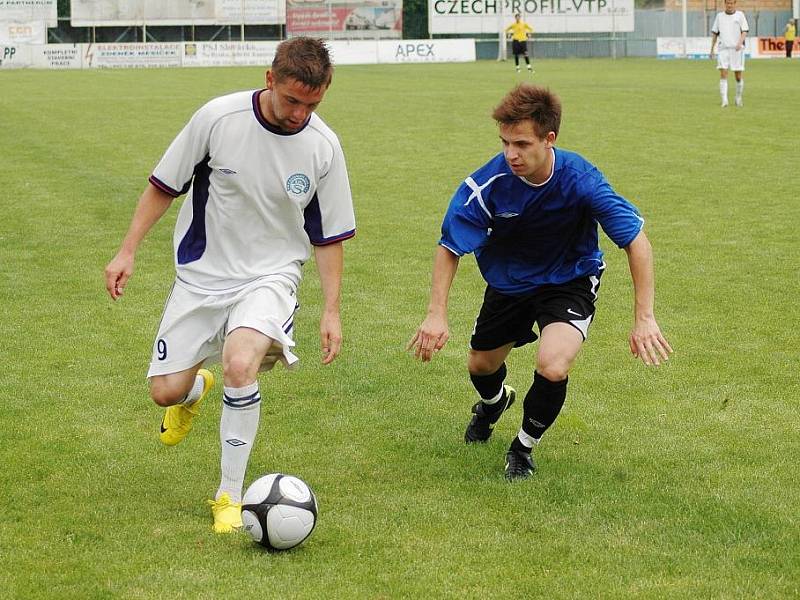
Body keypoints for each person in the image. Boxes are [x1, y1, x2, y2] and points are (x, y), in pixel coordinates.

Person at [104, 37, 356, 532]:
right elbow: (163, 185)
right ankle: (195, 390)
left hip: (271, 275)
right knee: (163, 392)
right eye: (292, 100)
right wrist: (128, 248)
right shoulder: (218, 119)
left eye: (312, 104)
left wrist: (331, 309)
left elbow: (329, 237)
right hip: (202, 275)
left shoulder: (323, 146)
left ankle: (229, 497)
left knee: (241, 364)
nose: (300, 113)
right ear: (269, 79)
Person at [407, 84, 672, 482]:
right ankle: (494, 404)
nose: (511, 154)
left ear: (550, 140)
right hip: (510, 284)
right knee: (481, 366)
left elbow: (636, 241)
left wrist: (645, 317)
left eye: (521, 143)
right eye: (504, 143)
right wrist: (435, 314)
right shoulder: (486, 186)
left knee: (552, 364)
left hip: (570, 279)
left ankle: (522, 448)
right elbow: (450, 247)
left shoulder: (582, 179)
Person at [710, 0, 749, 107]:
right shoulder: (719, 16)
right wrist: (711, 49)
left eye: (732, 3)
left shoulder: (740, 15)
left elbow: (745, 31)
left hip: (737, 50)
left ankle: (738, 97)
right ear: (725, 4)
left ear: (735, 4)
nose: (730, 5)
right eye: (728, 3)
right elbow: (715, 33)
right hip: (723, 49)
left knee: (738, 76)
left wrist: (739, 43)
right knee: (723, 74)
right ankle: (724, 101)